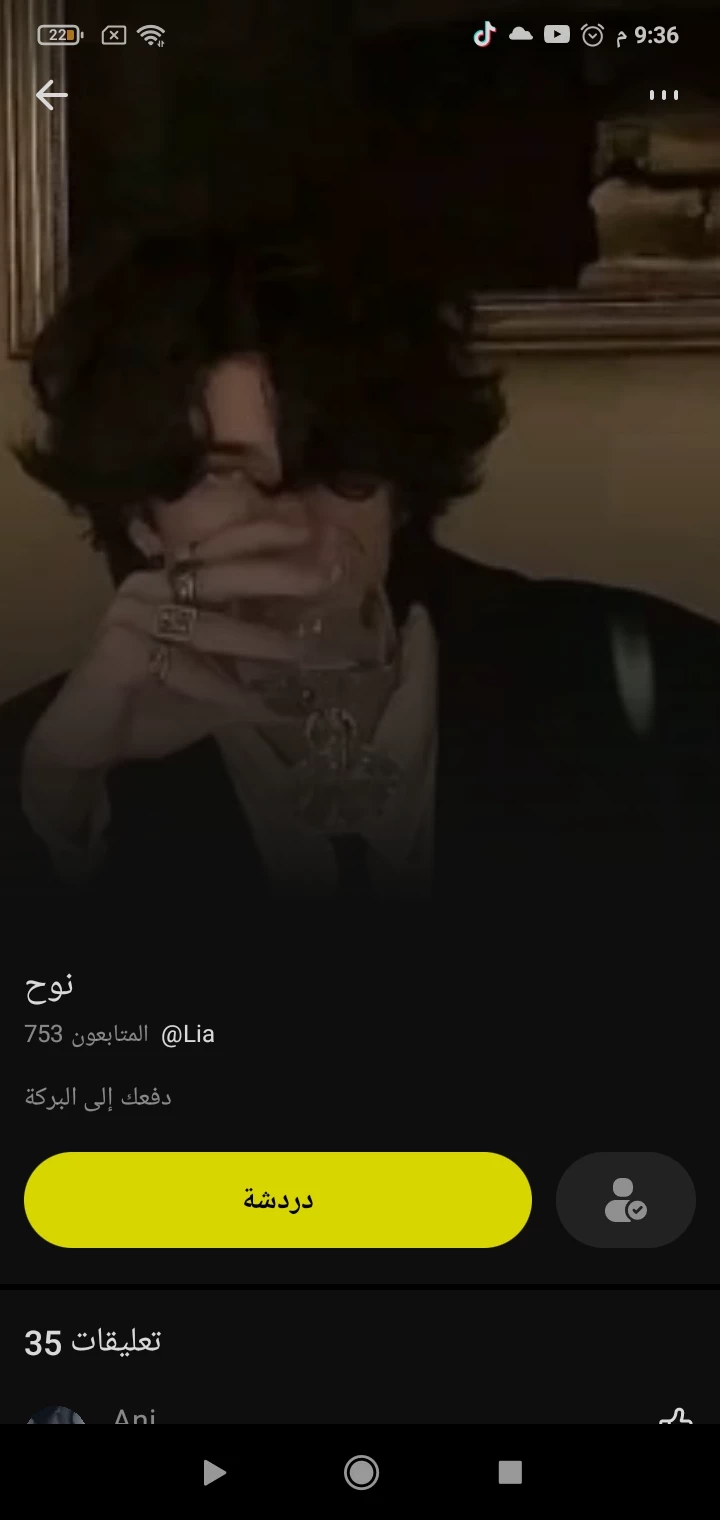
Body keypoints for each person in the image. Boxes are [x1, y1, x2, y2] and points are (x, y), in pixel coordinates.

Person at [3, 224, 720, 916]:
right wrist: (56, 813)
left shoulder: (664, 692)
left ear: (400, 490)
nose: (287, 523)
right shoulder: (47, 763)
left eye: (334, 465)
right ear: (140, 516)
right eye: (222, 474)